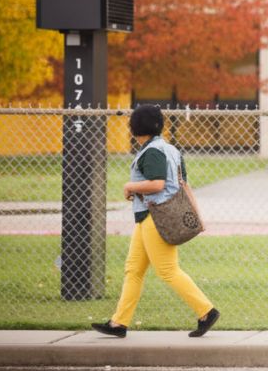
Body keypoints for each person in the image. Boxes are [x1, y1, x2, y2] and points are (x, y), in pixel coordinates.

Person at [91, 104, 220, 338]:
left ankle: (206, 311)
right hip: (147, 219)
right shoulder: (171, 149)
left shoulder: (151, 152)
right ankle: (119, 323)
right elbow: (184, 185)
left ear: (136, 128)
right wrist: (198, 217)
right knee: (133, 270)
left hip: (156, 218)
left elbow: (158, 183)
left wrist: (130, 186)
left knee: (168, 270)